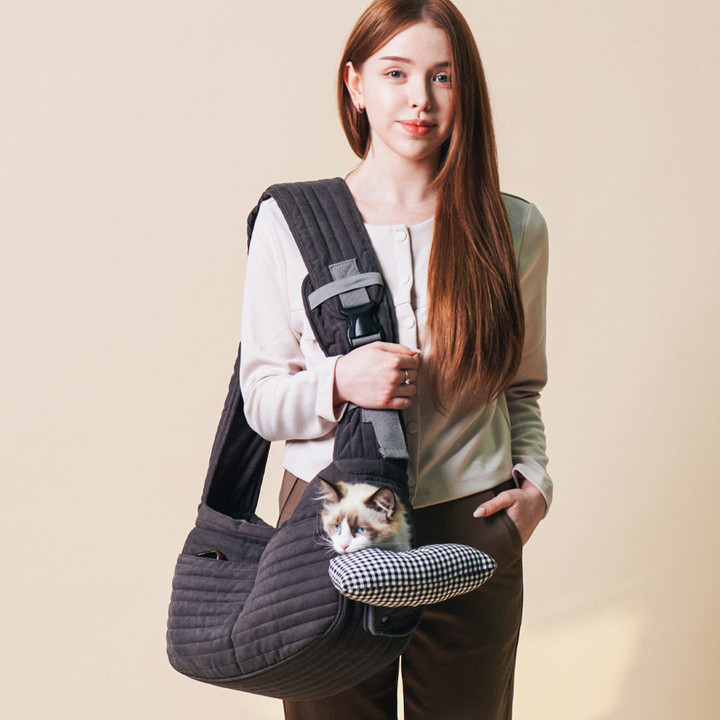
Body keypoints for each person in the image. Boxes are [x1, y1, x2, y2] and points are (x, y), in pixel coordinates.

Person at [240, 0, 551, 717]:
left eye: (442, 76)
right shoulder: (292, 222)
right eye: (395, 73)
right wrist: (339, 380)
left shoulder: (513, 227)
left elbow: (520, 387)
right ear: (355, 84)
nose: (420, 99)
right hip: (335, 520)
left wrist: (535, 486)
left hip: (471, 522)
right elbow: (261, 399)